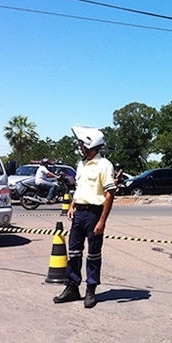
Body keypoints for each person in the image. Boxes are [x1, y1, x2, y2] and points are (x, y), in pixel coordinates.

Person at [54, 126, 116, 309]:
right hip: (79, 213)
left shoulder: (104, 165)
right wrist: (72, 205)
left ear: (91, 144)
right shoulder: (80, 164)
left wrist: (102, 221)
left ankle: (91, 289)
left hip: (94, 213)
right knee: (73, 251)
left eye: (82, 144)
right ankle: (72, 287)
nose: (80, 147)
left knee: (93, 254)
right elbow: (79, 188)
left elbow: (110, 194)